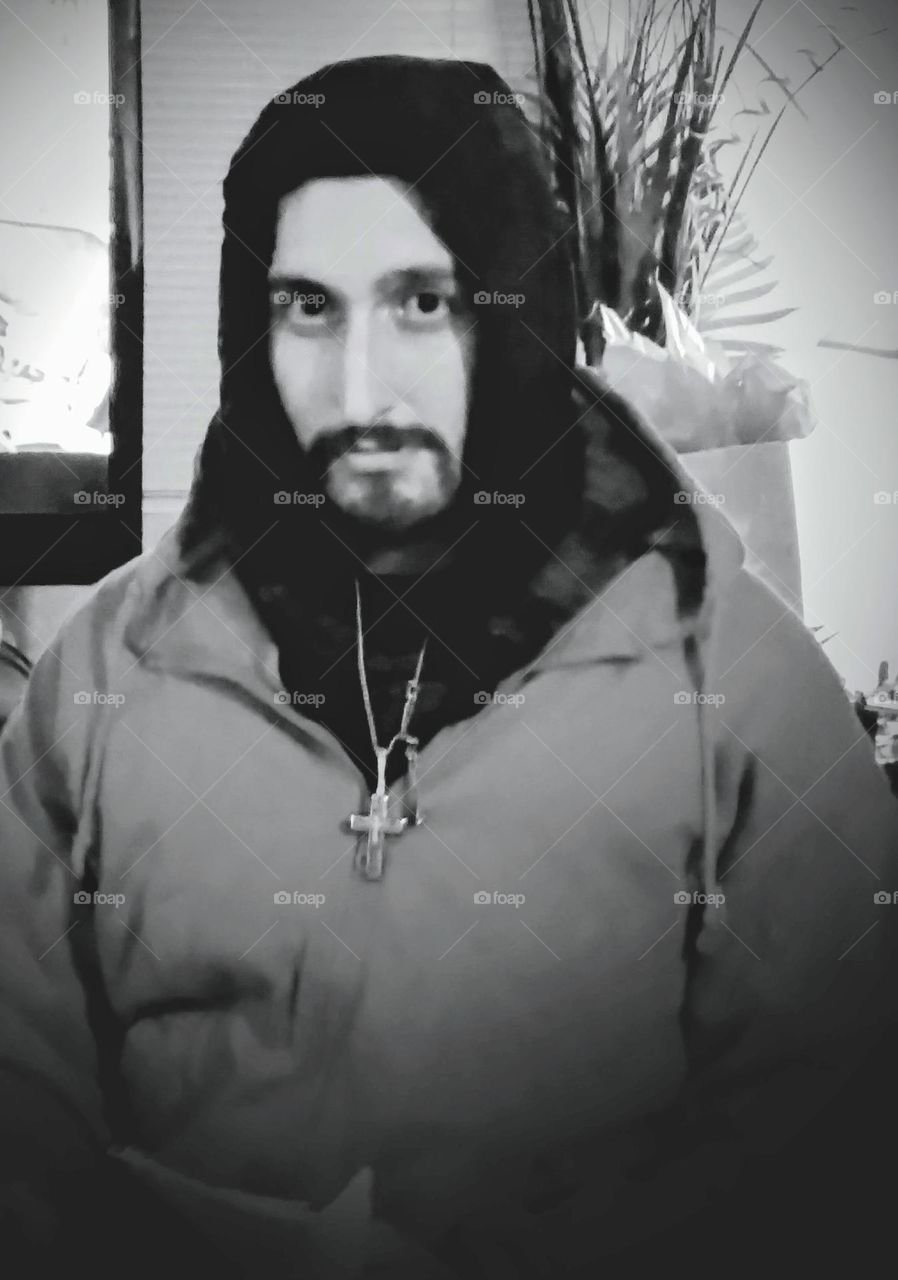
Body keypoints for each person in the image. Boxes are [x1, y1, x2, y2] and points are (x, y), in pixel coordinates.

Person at [1, 54, 896, 1279]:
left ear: (515, 309)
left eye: (423, 301)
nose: (362, 387)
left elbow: (845, 1128)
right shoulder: (103, 674)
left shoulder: (725, 670)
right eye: (310, 305)